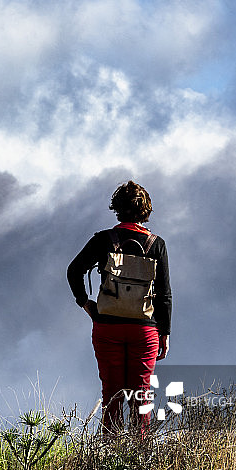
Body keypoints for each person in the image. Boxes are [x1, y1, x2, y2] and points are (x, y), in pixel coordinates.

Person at [67, 181, 171, 436]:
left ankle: (108, 456)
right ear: (146, 210)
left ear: (117, 209)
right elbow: (165, 294)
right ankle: (139, 458)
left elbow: (74, 271)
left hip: (107, 326)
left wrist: (85, 303)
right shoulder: (157, 245)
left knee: (111, 394)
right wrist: (164, 333)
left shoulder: (104, 239)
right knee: (141, 395)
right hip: (145, 330)